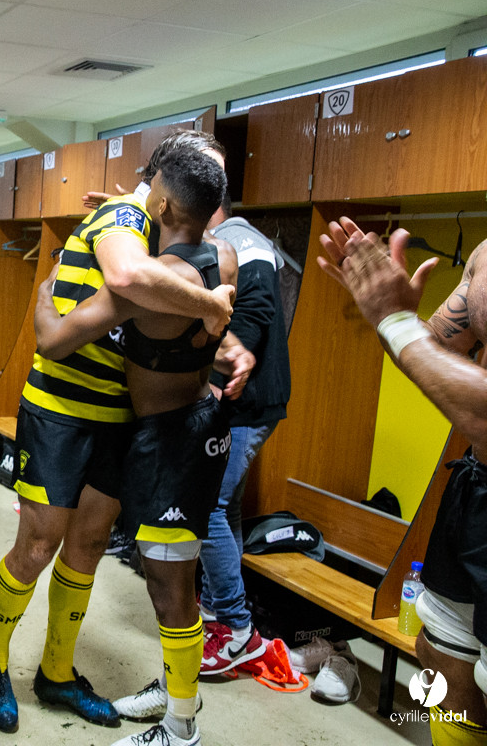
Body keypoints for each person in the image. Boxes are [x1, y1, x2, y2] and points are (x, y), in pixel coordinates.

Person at [0, 131, 237, 735]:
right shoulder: (123, 217)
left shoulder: (184, 242)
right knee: (38, 546)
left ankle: (57, 671)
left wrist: (225, 334)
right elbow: (122, 279)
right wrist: (210, 308)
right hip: (61, 409)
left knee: (88, 546)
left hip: (120, 415)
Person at [319, 219, 487, 746]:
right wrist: (395, 315)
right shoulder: (484, 252)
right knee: (441, 652)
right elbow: (432, 357)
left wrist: (395, 323)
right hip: (476, 488)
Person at [191, 192, 291, 675]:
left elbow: (252, 319)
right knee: (224, 506)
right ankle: (218, 620)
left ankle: (237, 628)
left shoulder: (240, 243)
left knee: (207, 505)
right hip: (242, 400)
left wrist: (219, 373)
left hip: (247, 401)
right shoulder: (227, 240)